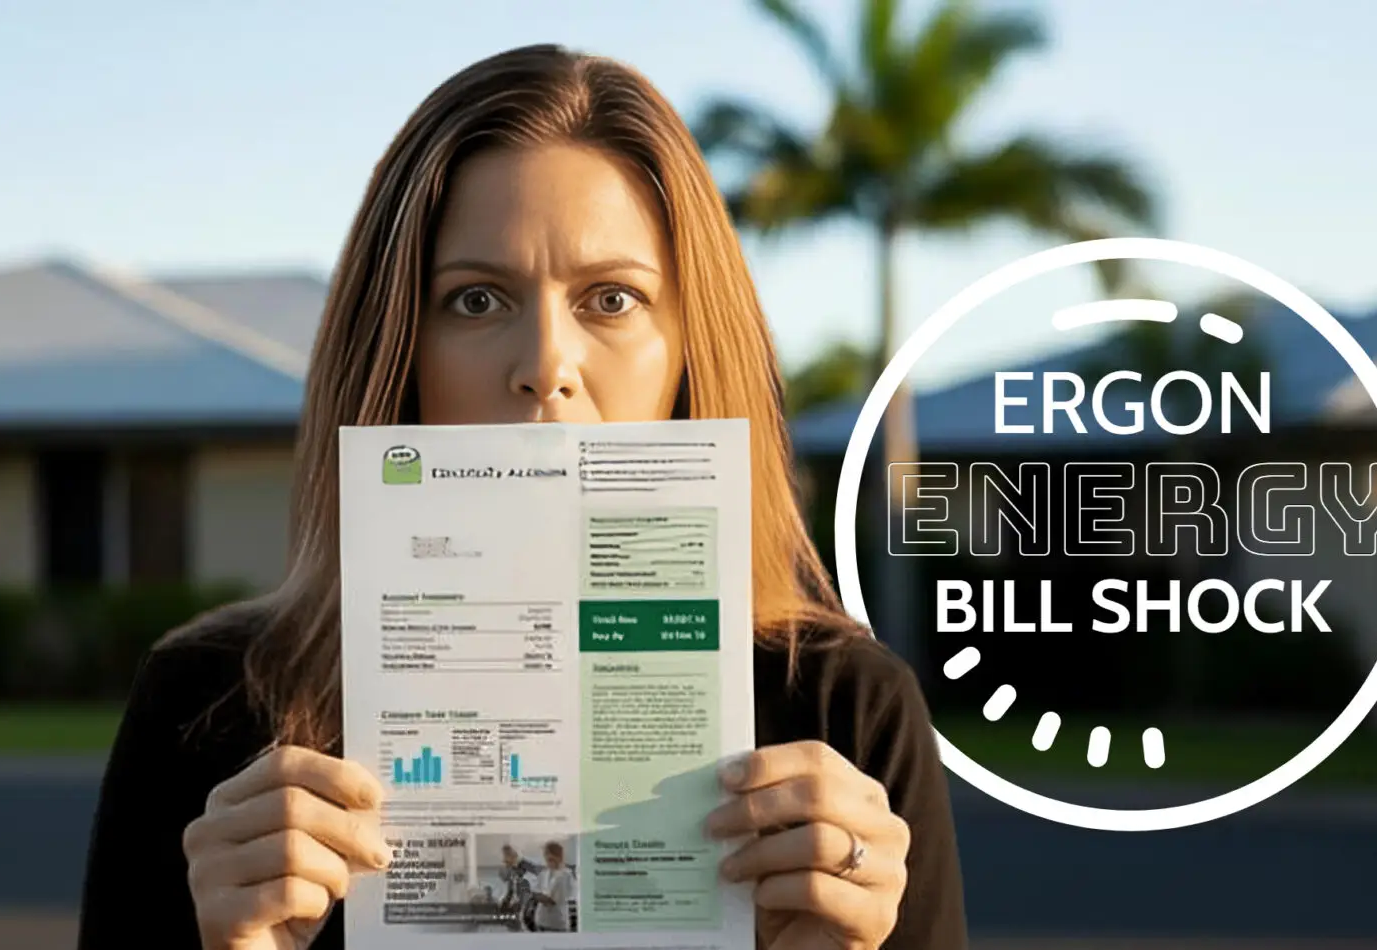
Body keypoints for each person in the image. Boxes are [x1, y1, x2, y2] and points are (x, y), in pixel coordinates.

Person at [77, 43, 967, 950]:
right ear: (396, 351)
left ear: (690, 350)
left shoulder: (845, 712)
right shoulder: (205, 703)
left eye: (612, 300)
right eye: (474, 301)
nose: (545, 366)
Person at [530, 841, 577, 934]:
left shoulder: (565, 875)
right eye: (545, 856)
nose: (546, 858)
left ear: (557, 856)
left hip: (557, 924)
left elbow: (553, 901)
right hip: (541, 921)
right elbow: (536, 890)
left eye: (548, 855)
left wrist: (538, 896)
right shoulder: (544, 874)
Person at [496, 844, 539, 932]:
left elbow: (531, 886)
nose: (504, 861)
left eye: (506, 857)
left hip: (527, 905)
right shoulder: (512, 870)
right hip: (518, 907)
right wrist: (505, 901)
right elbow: (510, 888)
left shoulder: (526, 867)